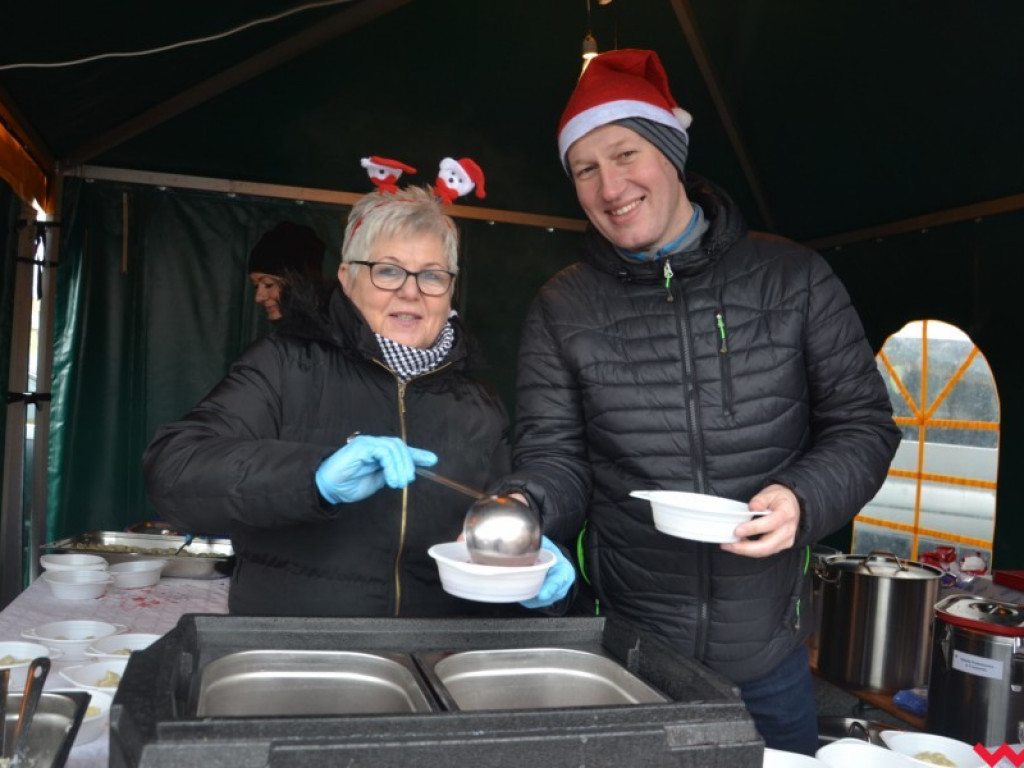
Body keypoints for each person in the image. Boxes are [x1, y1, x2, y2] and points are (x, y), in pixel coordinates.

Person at [492, 49, 901, 755]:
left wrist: (802, 498)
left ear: (672, 154)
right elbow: (554, 456)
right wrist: (525, 505)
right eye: (584, 169)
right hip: (627, 655)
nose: (610, 186)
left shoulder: (793, 278)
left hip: (768, 658)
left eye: (625, 154)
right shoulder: (564, 306)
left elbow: (864, 425)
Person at [143, 185, 574, 617]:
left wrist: (528, 566)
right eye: (388, 271)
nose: (411, 291)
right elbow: (173, 470)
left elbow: (497, 522)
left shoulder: (478, 401)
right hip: (299, 648)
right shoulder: (284, 366)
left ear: (450, 289)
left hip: (438, 651)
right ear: (348, 279)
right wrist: (312, 478)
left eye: (431, 275)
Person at [247, 220, 328, 322]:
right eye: (256, 286)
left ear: (300, 281)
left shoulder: (337, 327)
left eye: (268, 284)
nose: (258, 298)